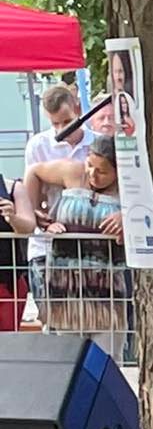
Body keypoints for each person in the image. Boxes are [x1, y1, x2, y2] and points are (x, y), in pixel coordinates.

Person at [10, 136, 129, 360]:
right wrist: (35, 213)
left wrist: (127, 216)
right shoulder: (72, 171)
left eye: (102, 171)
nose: (93, 174)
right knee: (68, 359)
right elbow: (34, 171)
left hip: (107, 285)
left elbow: (147, 211)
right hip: (65, 284)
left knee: (108, 359)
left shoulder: (128, 189)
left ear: (117, 172)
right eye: (90, 165)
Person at [0, 82, 87, 325]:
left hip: (89, 246)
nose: (61, 130)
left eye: (67, 121)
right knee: (55, 323)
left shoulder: (99, 142)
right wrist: (42, 219)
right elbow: (32, 202)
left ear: (77, 108)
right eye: (54, 123)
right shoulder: (38, 145)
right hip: (47, 247)